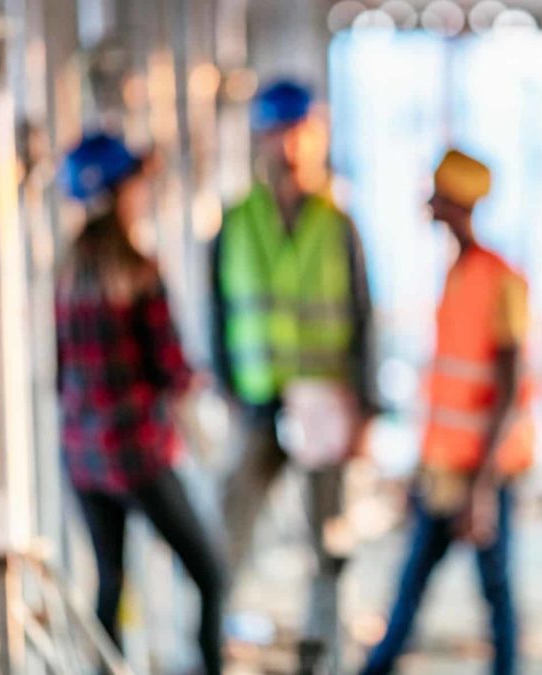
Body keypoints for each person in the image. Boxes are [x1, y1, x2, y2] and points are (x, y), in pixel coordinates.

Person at [211, 78, 377, 674]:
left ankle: (324, 652)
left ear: (316, 136)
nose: (288, 146)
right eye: (278, 132)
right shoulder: (234, 223)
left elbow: (362, 319)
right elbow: (218, 312)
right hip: (257, 403)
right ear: (260, 137)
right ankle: (209, 646)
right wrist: (230, 392)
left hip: (325, 405)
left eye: (299, 132)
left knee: (329, 541)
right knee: (227, 529)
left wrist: (365, 409)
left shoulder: (337, 225)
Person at [55, 133, 226, 675]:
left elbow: (59, 374)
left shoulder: (67, 274)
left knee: (110, 581)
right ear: (118, 192)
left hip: (83, 457)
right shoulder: (139, 271)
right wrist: (201, 380)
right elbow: (170, 370)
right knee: (210, 573)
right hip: (137, 456)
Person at [361, 149, 533, 675]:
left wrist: (480, 486)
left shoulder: (499, 278)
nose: (428, 201)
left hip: (483, 472)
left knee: (495, 593)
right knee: (413, 585)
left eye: (436, 192)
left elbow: (508, 389)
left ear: (456, 203)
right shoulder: (458, 272)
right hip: (444, 469)